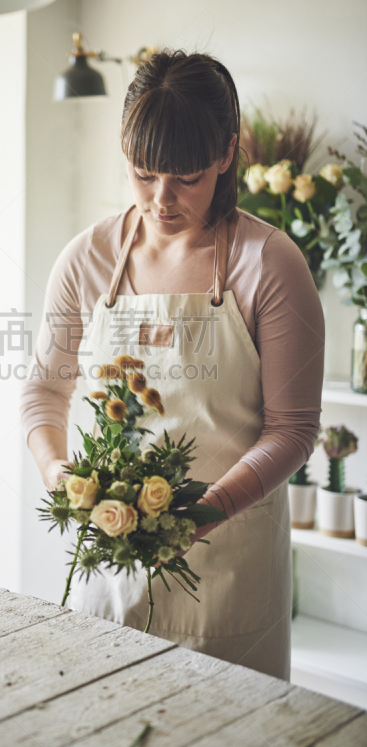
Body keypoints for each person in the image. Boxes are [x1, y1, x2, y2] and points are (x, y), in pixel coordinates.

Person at [20, 49, 324, 682]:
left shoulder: (268, 264)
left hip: (228, 575)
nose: (161, 199)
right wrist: (59, 477)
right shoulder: (87, 259)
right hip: (111, 570)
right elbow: (45, 392)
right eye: (143, 173)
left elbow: (293, 430)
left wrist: (201, 515)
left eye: (185, 177)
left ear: (226, 154)